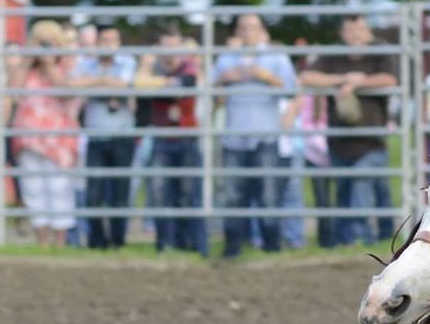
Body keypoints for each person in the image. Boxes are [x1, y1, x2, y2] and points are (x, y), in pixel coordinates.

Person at [301, 14, 397, 248]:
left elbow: (389, 80)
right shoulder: (334, 54)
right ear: (343, 34)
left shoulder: (379, 52)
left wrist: (358, 82)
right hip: (340, 141)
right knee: (346, 191)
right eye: (350, 31)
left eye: (359, 30)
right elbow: (307, 77)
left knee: (361, 187)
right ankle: (352, 241)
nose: (355, 35)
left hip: (371, 140)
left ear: (368, 33)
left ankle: (361, 239)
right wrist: (344, 78)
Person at [212, 13, 295, 257]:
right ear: (237, 31)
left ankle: (271, 247)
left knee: (269, 195)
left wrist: (265, 76)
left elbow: (291, 90)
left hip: (266, 136)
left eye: (253, 27)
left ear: (261, 31)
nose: (248, 32)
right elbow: (212, 96)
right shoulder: (226, 59)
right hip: (234, 137)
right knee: (232, 196)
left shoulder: (276, 57)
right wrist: (223, 80)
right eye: (243, 27)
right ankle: (233, 248)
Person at [9, 19, 82, 249]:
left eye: (48, 43)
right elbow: (13, 91)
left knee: (59, 189)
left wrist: (50, 64)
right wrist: (28, 59)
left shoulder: (68, 66)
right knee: (33, 189)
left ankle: (59, 242)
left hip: (58, 141)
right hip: (29, 139)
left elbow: (65, 91)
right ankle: (41, 241)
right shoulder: (26, 70)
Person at [136, 27, 205, 255]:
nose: (172, 51)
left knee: (188, 193)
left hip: (187, 137)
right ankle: (164, 244)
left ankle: (190, 244)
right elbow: (138, 86)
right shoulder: (152, 68)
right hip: (161, 137)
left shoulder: (189, 67)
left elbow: (183, 88)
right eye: (167, 46)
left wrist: (155, 83)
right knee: (159, 193)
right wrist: (156, 81)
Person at [74, 27, 139, 250]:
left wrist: (95, 84)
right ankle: (97, 242)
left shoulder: (128, 62)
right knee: (94, 193)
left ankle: (118, 241)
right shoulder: (86, 64)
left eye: (113, 39)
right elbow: (76, 84)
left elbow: (125, 86)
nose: (109, 44)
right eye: (105, 39)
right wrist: (109, 85)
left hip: (122, 135)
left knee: (120, 193)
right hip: (96, 136)